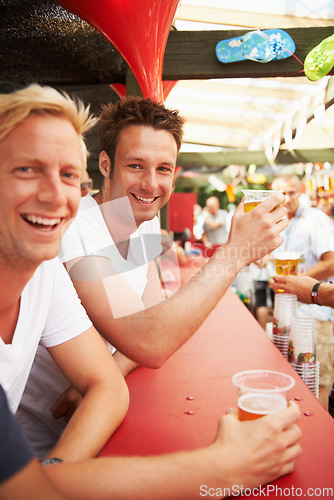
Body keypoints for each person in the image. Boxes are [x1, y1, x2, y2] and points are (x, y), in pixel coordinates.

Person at [0, 86, 302, 499]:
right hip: (37, 448)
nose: (150, 182)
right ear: (105, 165)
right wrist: (232, 254)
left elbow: (154, 316)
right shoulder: (72, 234)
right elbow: (152, 340)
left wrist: (108, 367)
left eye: (164, 169)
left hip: (74, 451)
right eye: (136, 166)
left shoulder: (140, 228)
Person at [0, 84, 129, 462]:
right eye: (27, 169)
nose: (56, 195)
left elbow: (108, 384)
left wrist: (55, 472)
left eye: (70, 175)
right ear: (108, 168)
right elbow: (147, 338)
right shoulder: (81, 231)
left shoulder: (44, 271)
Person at [271, 174, 334, 407]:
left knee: (319, 380)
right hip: (288, 314)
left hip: (316, 315)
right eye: (282, 194)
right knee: (291, 379)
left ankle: (325, 438)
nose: (287, 199)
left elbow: (332, 262)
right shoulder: (276, 223)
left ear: (301, 192)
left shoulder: (316, 220)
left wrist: (296, 282)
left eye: (292, 192)